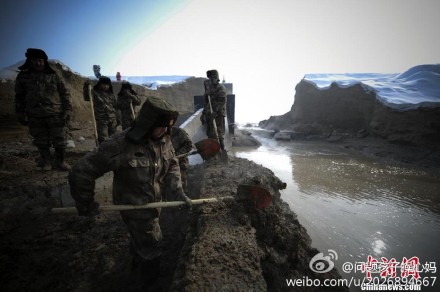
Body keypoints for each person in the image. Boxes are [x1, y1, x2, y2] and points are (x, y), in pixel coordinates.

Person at [68, 96, 192, 283]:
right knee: (152, 245)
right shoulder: (120, 145)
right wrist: (85, 204)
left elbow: (172, 164)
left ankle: (136, 262)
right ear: (149, 124)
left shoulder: (164, 139)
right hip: (135, 207)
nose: (167, 130)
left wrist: (177, 192)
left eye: (169, 126)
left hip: (154, 203)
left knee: (141, 240)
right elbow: (81, 171)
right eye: (163, 126)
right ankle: (149, 282)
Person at [15, 48, 72, 171]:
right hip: (34, 115)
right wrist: (20, 113)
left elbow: (65, 93)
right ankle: (46, 162)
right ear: (29, 61)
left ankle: (60, 162)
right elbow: (19, 96)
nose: (38, 63)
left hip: (55, 114)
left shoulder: (54, 75)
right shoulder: (23, 77)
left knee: (60, 139)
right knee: (41, 140)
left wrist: (67, 109)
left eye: (40, 60)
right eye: (34, 60)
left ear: (44, 61)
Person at [202, 69, 227, 150]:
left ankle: (222, 149)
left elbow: (222, 101)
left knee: (219, 131)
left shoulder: (221, 88)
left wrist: (215, 112)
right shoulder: (208, 85)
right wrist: (204, 112)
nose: (209, 80)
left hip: (218, 113)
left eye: (211, 78)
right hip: (210, 111)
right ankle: (213, 150)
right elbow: (206, 101)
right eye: (209, 78)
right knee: (210, 131)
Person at [92, 76, 120, 144]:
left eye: (107, 85)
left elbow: (115, 107)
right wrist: (86, 87)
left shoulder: (111, 95)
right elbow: (87, 97)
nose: (106, 86)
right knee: (103, 138)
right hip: (102, 119)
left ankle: (112, 153)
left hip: (112, 119)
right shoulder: (95, 93)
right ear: (100, 84)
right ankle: (102, 153)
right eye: (104, 84)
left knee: (113, 138)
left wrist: (118, 118)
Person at [170, 126, 193, 192]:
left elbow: (189, 145)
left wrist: (177, 155)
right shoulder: (159, 134)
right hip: (166, 166)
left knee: (181, 185)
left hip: (180, 164)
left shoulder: (178, 132)